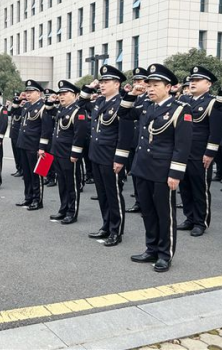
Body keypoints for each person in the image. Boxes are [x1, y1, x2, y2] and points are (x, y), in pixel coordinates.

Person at [119, 64, 193, 272]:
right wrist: (133, 93)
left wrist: (176, 174)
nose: (150, 89)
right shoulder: (146, 107)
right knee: (148, 212)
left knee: (164, 213)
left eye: (155, 85)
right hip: (142, 167)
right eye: (148, 85)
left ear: (168, 87)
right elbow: (123, 114)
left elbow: (182, 145)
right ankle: (151, 248)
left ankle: (164, 254)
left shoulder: (180, 110)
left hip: (163, 171)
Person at [80, 66, 134, 247]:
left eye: (106, 82)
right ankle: (106, 225)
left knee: (114, 194)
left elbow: (125, 135)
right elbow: (81, 102)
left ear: (117, 84)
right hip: (96, 154)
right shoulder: (99, 102)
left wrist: (120, 159)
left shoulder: (122, 103)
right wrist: (90, 86)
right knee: (102, 194)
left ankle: (116, 231)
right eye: (101, 82)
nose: (102, 85)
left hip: (111, 156)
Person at [176, 67, 222, 237]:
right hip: (183, 152)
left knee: (200, 188)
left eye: (198, 80)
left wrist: (210, 153)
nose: (193, 83)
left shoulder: (213, 102)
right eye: (192, 80)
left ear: (208, 84)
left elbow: (217, 130)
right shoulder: (185, 101)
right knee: (185, 187)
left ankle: (200, 221)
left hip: (200, 153)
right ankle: (189, 218)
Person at [48, 80, 89, 225]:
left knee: (72, 184)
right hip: (58, 152)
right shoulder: (62, 109)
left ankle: (72, 212)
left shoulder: (79, 111)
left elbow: (80, 134)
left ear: (75, 95)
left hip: (69, 154)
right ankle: (63, 208)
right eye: (60, 94)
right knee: (62, 183)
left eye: (65, 94)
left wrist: (75, 154)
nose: (61, 96)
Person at [16, 80, 54, 211]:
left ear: (38, 93)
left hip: (35, 146)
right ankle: (28, 198)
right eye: (27, 92)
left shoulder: (44, 107)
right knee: (26, 174)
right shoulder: (26, 106)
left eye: (31, 92)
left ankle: (37, 200)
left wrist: (42, 148)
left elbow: (46, 129)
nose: (28, 94)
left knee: (36, 174)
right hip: (24, 144)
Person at [126, 68, 149, 214]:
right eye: (135, 81)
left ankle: (146, 203)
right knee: (135, 174)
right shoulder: (136, 97)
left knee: (146, 175)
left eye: (140, 81)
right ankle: (139, 201)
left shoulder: (150, 98)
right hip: (135, 141)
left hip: (147, 143)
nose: (137, 84)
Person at [8, 92, 26, 178]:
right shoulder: (17, 108)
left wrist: (22, 101)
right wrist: (19, 99)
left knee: (21, 154)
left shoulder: (24, 109)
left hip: (20, 135)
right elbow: (11, 111)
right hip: (14, 134)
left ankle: (23, 170)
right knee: (16, 153)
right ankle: (19, 169)